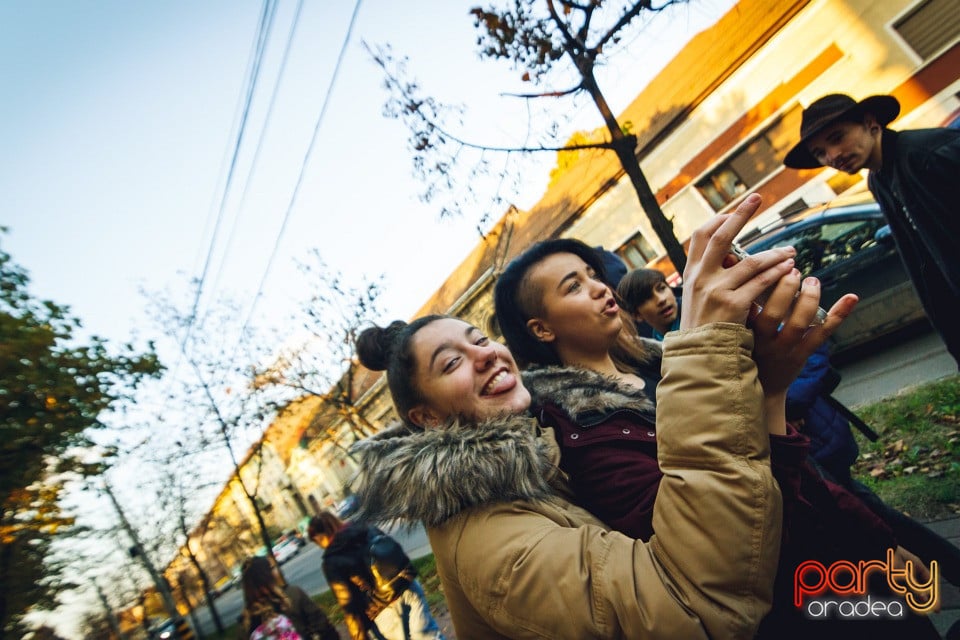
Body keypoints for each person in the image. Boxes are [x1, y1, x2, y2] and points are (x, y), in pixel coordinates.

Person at [347, 195, 836, 639]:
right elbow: (689, 610)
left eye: (478, 339)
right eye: (451, 363)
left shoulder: (540, 449)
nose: (484, 356)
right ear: (428, 418)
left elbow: (771, 494)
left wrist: (767, 391)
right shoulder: (486, 539)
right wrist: (706, 347)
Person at [492, 235, 940, 639]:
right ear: (541, 329)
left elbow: (804, 473)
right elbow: (719, 544)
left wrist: (878, 543)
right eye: (572, 286)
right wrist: (770, 394)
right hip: (790, 606)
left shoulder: (665, 364)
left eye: (593, 275)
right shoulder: (580, 431)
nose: (598, 287)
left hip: (842, 560)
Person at [783, 92, 960, 368]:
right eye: (820, 153)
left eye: (836, 137)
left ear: (870, 123)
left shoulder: (925, 155)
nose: (832, 156)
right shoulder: (879, 181)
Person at [307, 511, 445, 640]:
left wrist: (359, 636)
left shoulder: (331, 561)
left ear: (320, 536)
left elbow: (349, 604)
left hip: (383, 610)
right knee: (429, 636)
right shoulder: (365, 528)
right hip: (407, 586)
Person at [238, 555, 340, 640]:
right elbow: (323, 626)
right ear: (267, 576)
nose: (277, 570)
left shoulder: (246, 619)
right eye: (272, 568)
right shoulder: (292, 595)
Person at [616, 267, 680, 340]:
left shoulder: (694, 315)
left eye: (662, 288)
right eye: (648, 298)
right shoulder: (656, 347)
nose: (661, 299)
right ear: (637, 315)